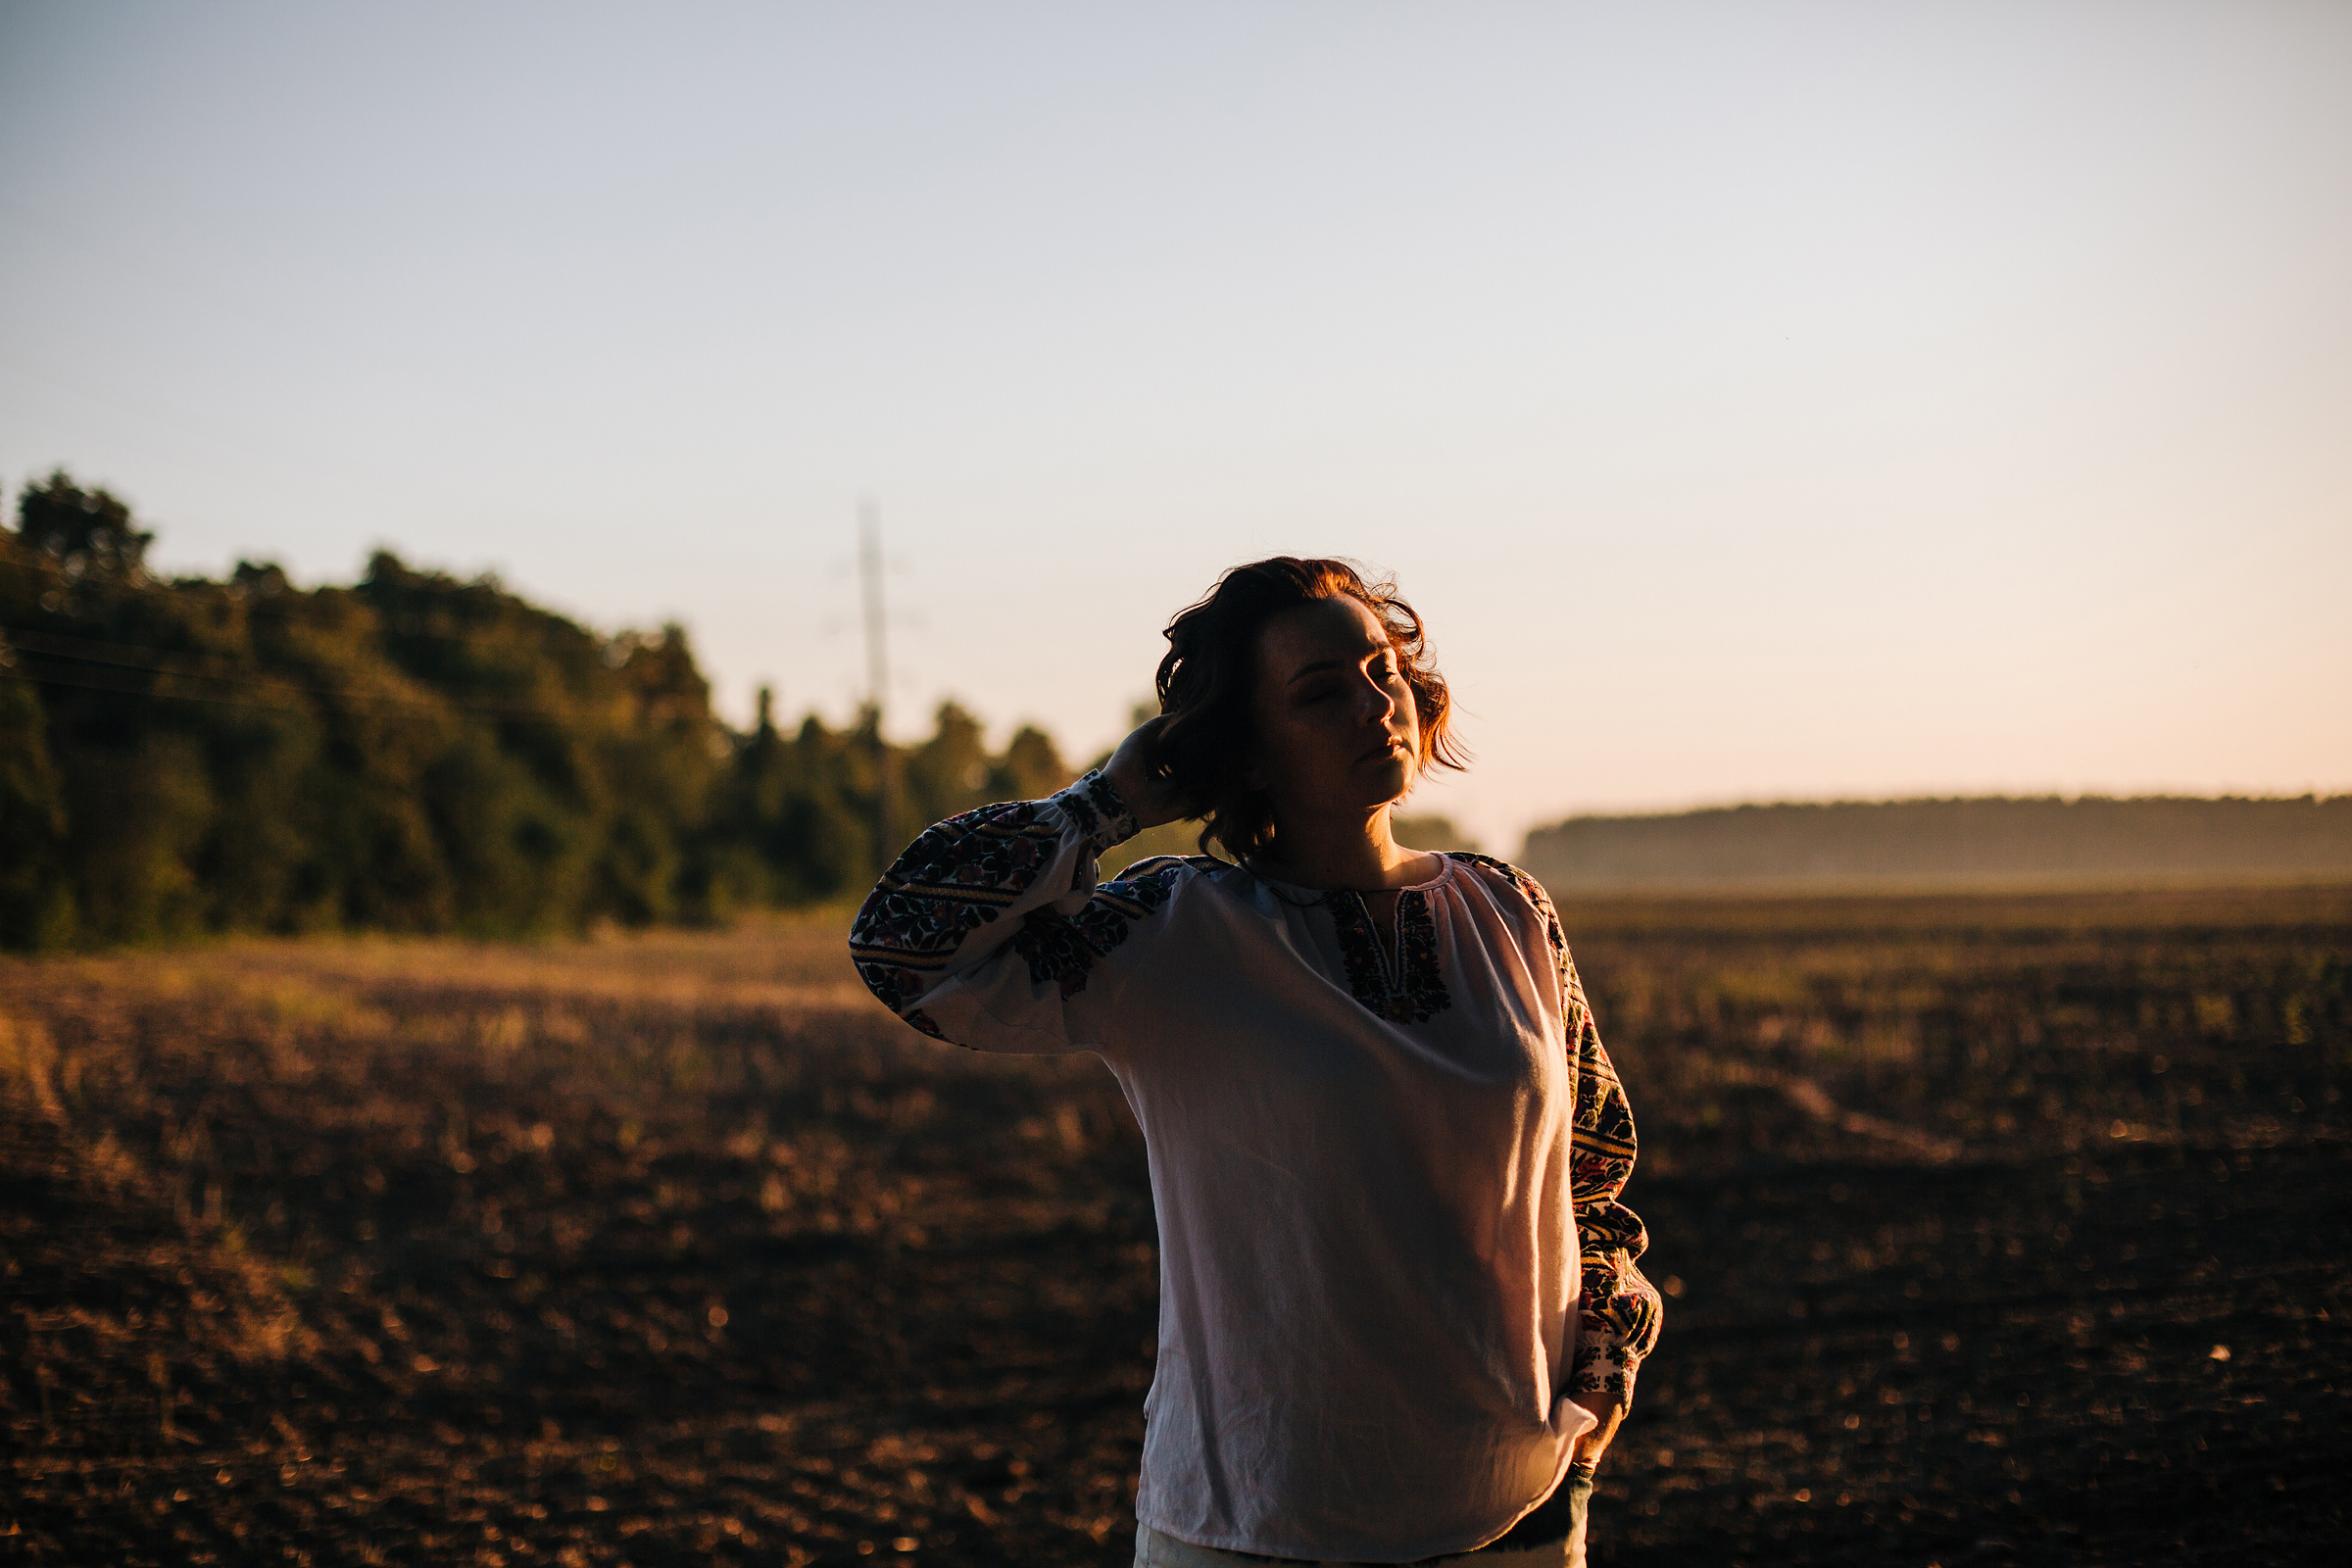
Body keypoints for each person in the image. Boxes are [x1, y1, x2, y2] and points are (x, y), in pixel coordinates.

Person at [849, 558, 1662, 1566]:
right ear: (1249, 750)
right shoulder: (1175, 933)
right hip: (1257, 1526)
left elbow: (1592, 1175)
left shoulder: (1510, 913)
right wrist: (1105, 803)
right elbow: (904, 949)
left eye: (1382, 670)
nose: (1376, 705)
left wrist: (1597, 1392)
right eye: (1320, 694)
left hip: (1518, 1518)